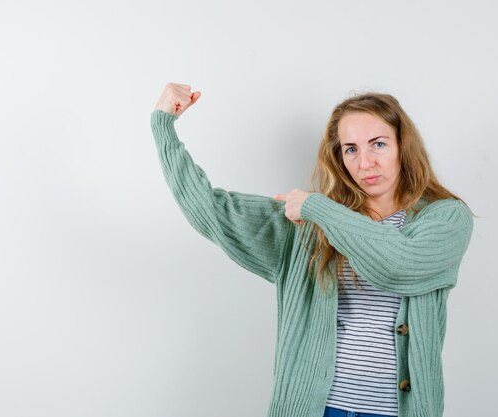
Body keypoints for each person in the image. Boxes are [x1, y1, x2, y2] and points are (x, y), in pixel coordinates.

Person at [151, 82, 474, 417]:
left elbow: (399, 265)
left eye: (378, 144)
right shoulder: (308, 227)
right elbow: (213, 210)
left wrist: (318, 208)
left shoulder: (446, 217)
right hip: (319, 408)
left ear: (402, 146)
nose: (365, 163)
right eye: (350, 149)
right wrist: (163, 127)